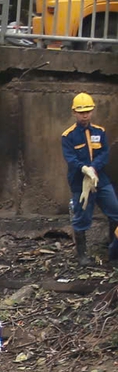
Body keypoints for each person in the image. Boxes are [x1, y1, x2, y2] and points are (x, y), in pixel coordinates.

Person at [63, 92, 118, 265]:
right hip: (80, 182)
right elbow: (70, 158)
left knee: (115, 212)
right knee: (82, 217)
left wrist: (94, 168)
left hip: (100, 179)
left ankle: (113, 252)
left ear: (92, 111)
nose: (85, 115)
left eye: (88, 111)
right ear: (74, 112)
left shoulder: (99, 132)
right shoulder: (68, 136)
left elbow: (104, 154)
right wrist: (84, 168)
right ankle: (82, 256)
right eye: (81, 111)